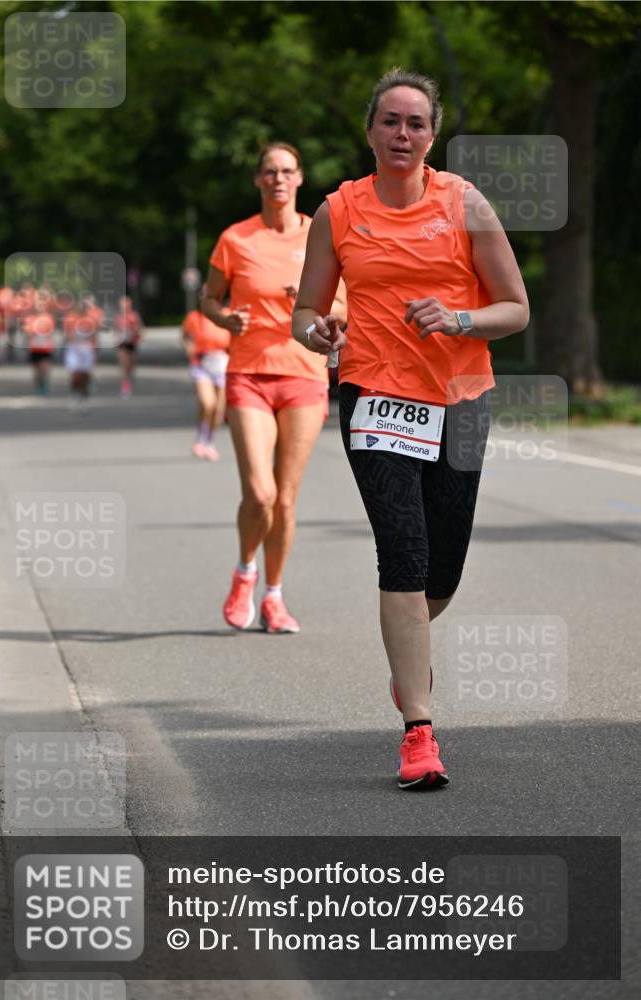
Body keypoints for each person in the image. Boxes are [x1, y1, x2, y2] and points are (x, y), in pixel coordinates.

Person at [293, 68, 529, 789]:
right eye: (389, 121)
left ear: (433, 134)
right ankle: (418, 732)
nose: (402, 134)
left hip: (458, 396)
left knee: (442, 569)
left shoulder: (464, 204)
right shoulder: (338, 211)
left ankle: (407, 660)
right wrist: (319, 332)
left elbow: (514, 308)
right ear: (368, 130)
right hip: (372, 395)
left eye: (415, 123)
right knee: (402, 549)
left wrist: (458, 318)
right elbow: (304, 314)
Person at [202, 141, 346, 634]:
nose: (278, 179)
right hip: (249, 374)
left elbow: (344, 304)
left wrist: (312, 304)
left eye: (286, 170)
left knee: (285, 499)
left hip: (304, 376)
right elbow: (208, 299)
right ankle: (245, 571)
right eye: (269, 171)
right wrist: (224, 317)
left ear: (300, 178)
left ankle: (274, 596)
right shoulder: (236, 239)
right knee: (259, 493)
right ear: (258, 180)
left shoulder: (321, 233)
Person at [182, 304, 231, 460]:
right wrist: (189, 348)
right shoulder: (194, 317)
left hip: (222, 362)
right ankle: (201, 437)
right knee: (207, 403)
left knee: (218, 408)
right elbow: (186, 336)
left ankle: (209, 441)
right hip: (202, 363)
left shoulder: (227, 314)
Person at [63, 298, 100, 410]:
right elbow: (67, 335)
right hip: (74, 349)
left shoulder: (90, 319)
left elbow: (94, 335)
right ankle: (74, 396)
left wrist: (95, 349)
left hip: (86, 350)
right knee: (74, 375)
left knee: (85, 376)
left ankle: (84, 399)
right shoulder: (70, 318)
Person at [113, 296, 143, 398]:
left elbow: (139, 329)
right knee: (124, 365)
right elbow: (115, 330)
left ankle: (129, 378)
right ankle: (125, 385)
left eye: (126, 305)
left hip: (132, 343)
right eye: (123, 305)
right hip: (122, 344)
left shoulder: (134, 316)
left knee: (131, 365)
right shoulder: (118, 317)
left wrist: (134, 332)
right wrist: (118, 337)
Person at [23, 306, 55, 395]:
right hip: (34, 348)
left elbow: (50, 332)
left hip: (45, 348)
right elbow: (28, 333)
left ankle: (44, 384)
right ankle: (38, 385)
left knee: (44, 369)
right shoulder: (29, 319)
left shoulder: (48, 318)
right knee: (36, 372)